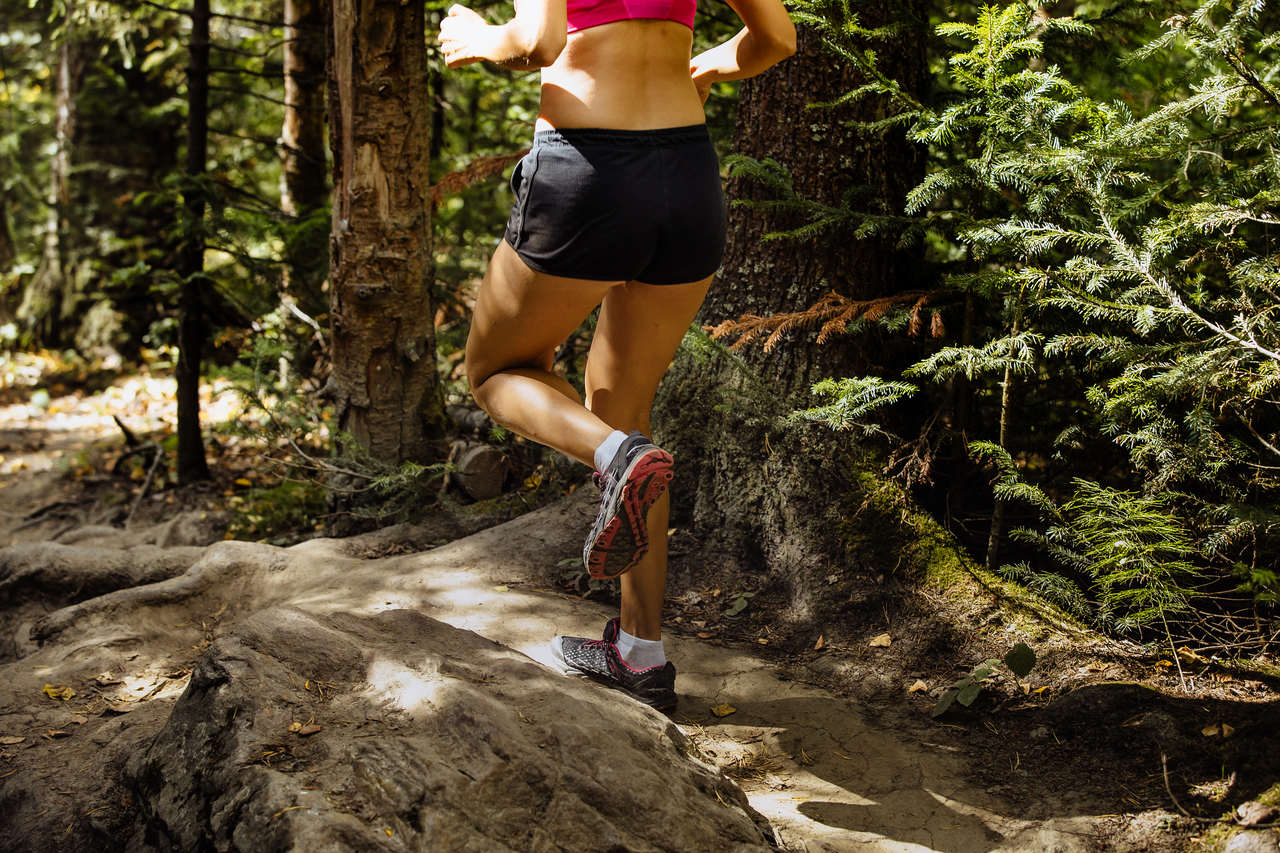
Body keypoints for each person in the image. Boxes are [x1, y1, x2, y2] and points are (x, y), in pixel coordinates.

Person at [439, 0, 795, 711]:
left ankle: (612, 456)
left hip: (591, 169)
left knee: (494, 372)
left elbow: (539, 42)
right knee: (626, 405)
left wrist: (479, 40)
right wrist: (704, 67)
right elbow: (776, 38)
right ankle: (640, 653)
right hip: (688, 177)